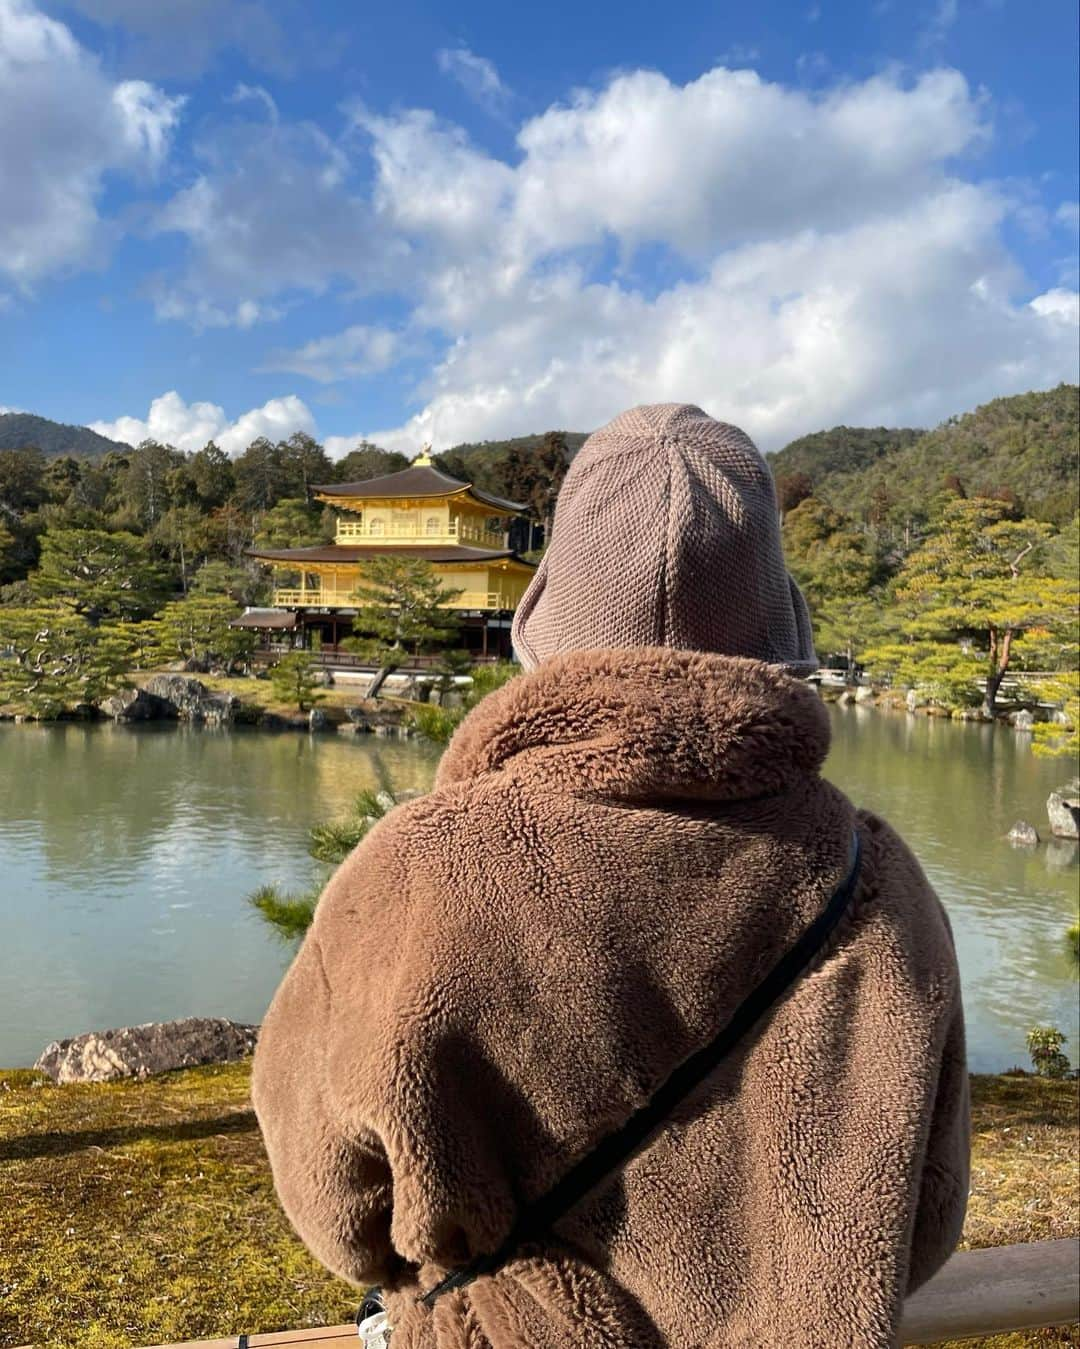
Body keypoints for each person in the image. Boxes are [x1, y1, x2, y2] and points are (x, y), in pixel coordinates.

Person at [252, 404, 969, 1348]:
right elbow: (922, 1222)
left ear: (544, 620)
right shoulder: (874, 880)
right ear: (778, 635)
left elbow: (335, 1205)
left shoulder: (418, 866)